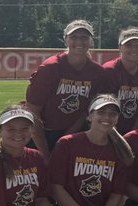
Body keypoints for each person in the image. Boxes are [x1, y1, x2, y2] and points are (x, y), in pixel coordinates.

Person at [24, 19, 108, 154]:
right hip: (41, 133)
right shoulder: (51, 68)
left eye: (84, 37)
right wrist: (45, 152)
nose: (79, 42)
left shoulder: (97, 72)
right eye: (73, 37)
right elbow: (33, 110)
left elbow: (87, 111)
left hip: (73, 133)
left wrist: (66, 138)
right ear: (65, 40)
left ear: (91, 41)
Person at [102, 27, 138, 134]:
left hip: (133, 127)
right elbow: (104, 108)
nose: (134, 49)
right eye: (129, 45)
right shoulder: (110, 70)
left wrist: (132, 133)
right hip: (108, 128)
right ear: (120, 47)